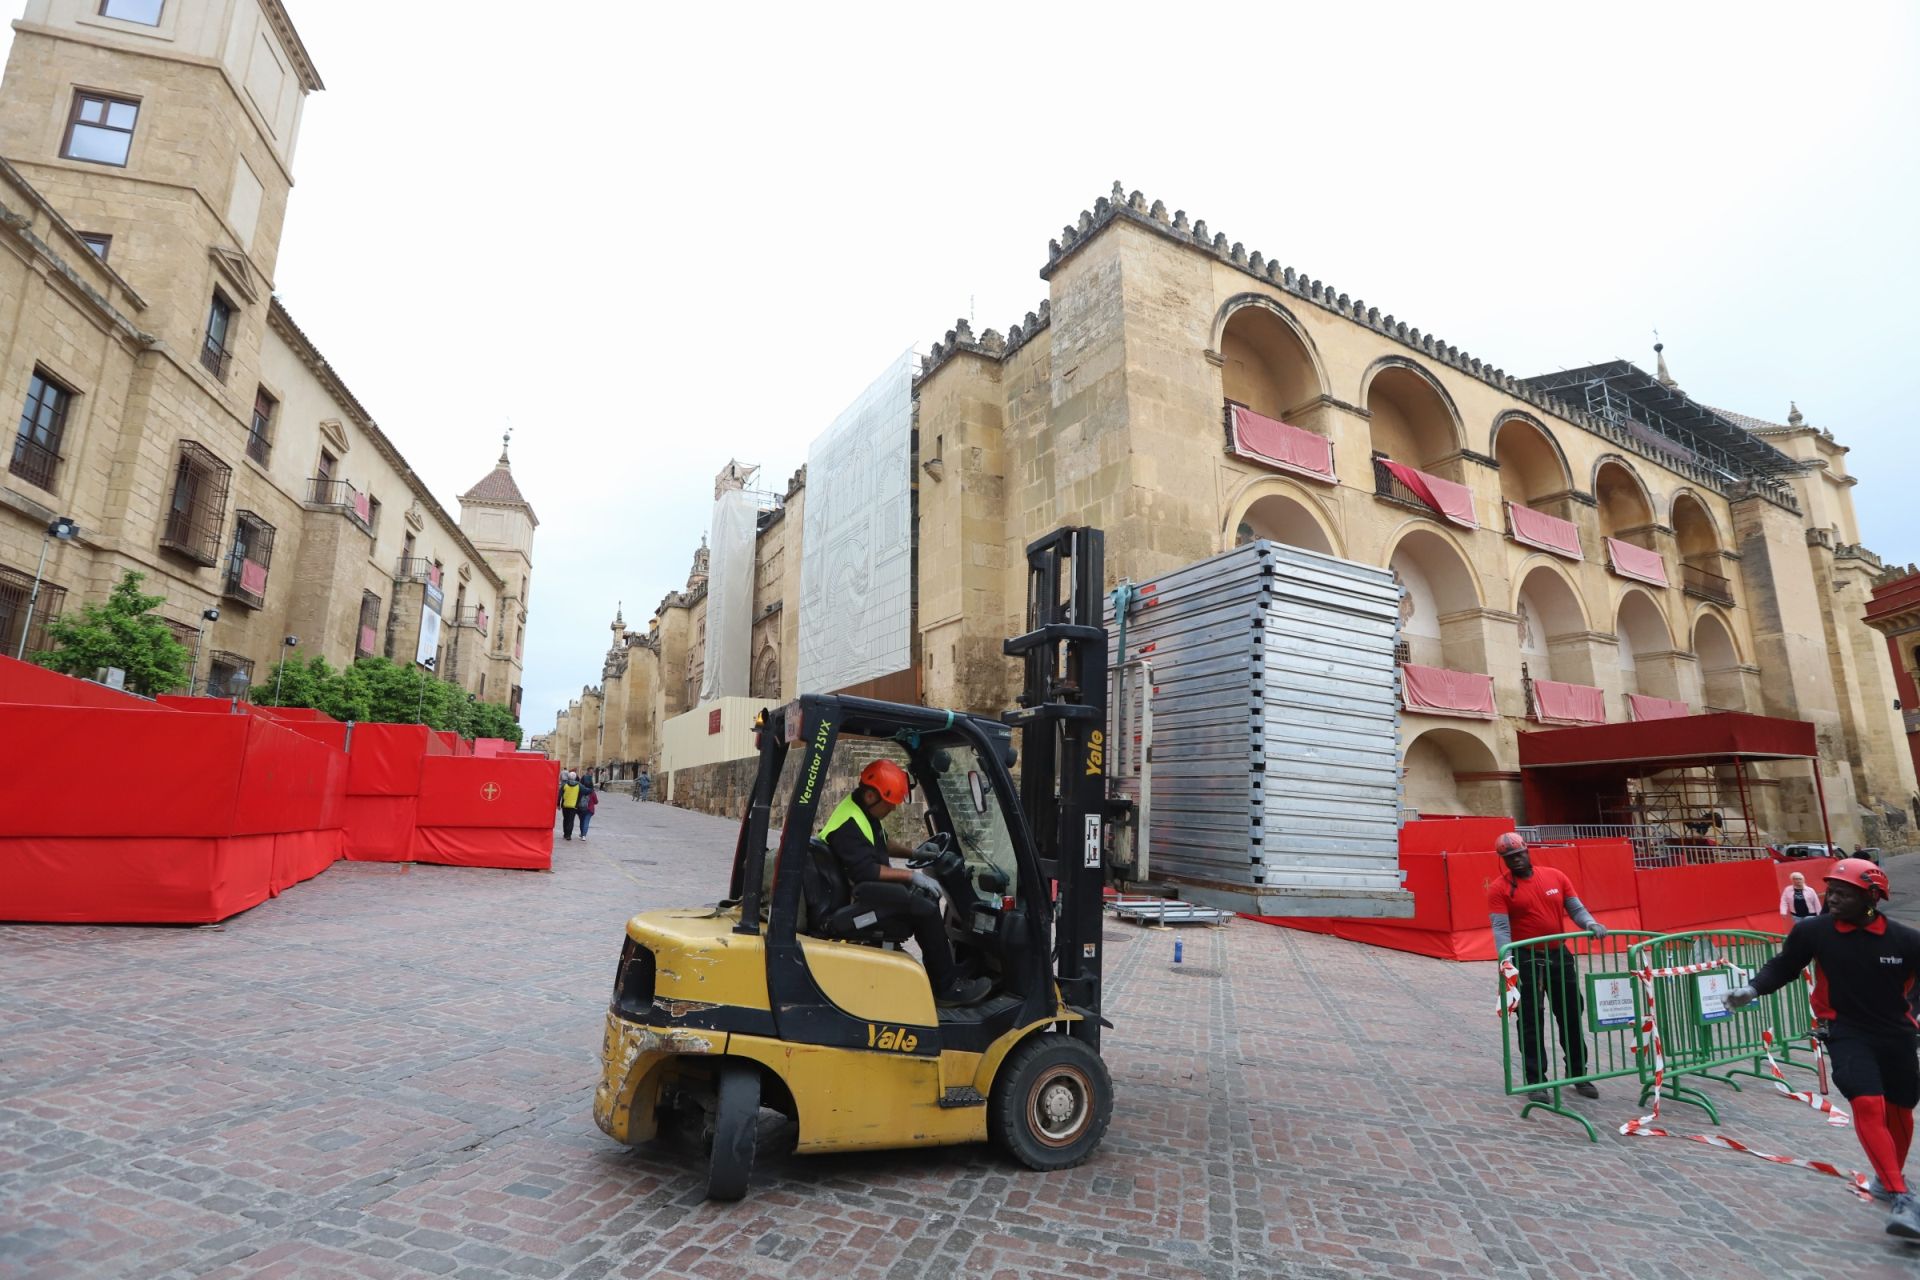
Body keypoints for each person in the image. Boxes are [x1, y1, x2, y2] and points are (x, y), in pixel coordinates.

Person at [1728, 859, 1920, 1240]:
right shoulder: (1814, 932)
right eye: (1830, 890)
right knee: (1868, 1103)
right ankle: (1902, 1196)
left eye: (1843, 893)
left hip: (1897, 1035)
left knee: (1901, 1110)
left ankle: (1888, 1178)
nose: (1832, 898)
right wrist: (1752, 988)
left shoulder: (1906, 940)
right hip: (1845, 1031)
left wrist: (1915, 1013)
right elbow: (1784, 966)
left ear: (1872, 897)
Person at [821, 759, 990, 1007]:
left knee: (923, 899)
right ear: (871, 795)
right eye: (889, 804)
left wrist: (915, 853)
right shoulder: (849, 825)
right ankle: (946, 988)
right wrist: (911, 876)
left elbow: (882, 842)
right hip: (854, 901)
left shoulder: (861, 811)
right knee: (925, 907)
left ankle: (945, 971)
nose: (892, 809)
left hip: (863, 891)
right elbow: (867, 871)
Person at [1487, 831, 1608, 1103]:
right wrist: (1506, 960)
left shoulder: (1556, 876)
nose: (1515, 860)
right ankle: (1536, 1082)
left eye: (1518, 854)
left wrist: (1590, 923)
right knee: (1530, 1020)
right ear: (1503, 860)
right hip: (1526, 960)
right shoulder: (1498, 889)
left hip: (1558, 956)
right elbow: (1501, 928)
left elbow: (1576, 909)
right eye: (1509, 857)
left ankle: (1578, 1073)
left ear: (1527, 851)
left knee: (1571, 1014)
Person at [558, 769, 582, 841]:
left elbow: (559, 795)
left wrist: (558, 804)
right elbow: (583, 793)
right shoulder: (579, 785)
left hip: (565, 805)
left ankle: (565, 833)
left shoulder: (564, 785)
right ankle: (569, 835)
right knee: (571, 820)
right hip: (574, 806)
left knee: (565, 819)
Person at [577, 772, 598, 840]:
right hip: (589, 809)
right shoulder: (592, 791)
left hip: (581, 808)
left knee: (582, 821)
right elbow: (596, 801)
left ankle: (582, 833)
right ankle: (584, 835)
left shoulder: (580, 790)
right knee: (586, 821)